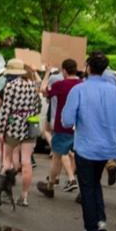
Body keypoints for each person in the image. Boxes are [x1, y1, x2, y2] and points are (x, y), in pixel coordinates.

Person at [64, 52, 116, 231]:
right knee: (95, 183)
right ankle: (100, 221)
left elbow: (67, 120)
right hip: (108, 146)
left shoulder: (79, 90)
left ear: (88, 67)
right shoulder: (115, 91)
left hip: (87, 146)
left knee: (88, 187)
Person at [0, 58, 42, 206]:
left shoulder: (10, 87)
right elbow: (38, 107)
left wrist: (1, 131)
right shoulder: (33, 85)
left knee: (7, 160)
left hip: (14, 123)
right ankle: (24, 197)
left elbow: (6, 111)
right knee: (27, 161)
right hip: (30, 123)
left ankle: (2, 192)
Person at [39, 58, 82, 198]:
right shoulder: (82, 84)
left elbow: (43, 91)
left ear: (64, 70)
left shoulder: (60, 84)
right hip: (81, 127)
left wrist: (46, 74)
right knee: (82, 159)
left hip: (63, 126)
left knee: (57, 157)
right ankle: (83, 190)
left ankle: (50, 186)